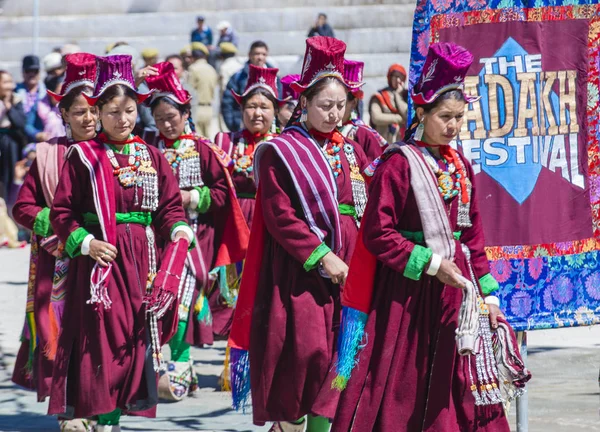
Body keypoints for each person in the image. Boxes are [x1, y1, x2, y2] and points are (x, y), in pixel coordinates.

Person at [331, 43, 528, 432]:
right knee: (405, 382)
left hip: (455, 291)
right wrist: (433, 265)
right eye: (444, 117)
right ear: (421, 113)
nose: (453, 126)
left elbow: (471, 234)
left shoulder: (460, 165)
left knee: (459, 383)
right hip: (407, 294)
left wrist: (488, 294)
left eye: (459, 117)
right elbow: (377, 233)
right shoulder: (399, 165)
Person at [227, 36, 369, 432]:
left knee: (342, 359)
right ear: (303, 103)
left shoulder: (351, 151)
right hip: (299, 273)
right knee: (308, 355)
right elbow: (280, 215)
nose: (334, 114)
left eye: (341, 105)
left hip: (350, 268)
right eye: (325, 105)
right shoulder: (282, 152)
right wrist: (322, 255)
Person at [47, 54, 194, 431]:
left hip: (144, 262)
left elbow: (169, 208)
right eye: (113, 112)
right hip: (102, 264)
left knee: (134, 341)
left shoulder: (152, 156)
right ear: (98, 112)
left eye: (129, 110)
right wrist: (85, 243)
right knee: (102, 344)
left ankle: (111, 417)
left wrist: (178, 230)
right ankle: (95, 412)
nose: (123, 119)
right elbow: (63, 213)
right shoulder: (84, 156)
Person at [145, 62, 249, 400]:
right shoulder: (149, 149)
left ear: (186, 112)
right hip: (157, 240)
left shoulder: (203, 149)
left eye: (171, 117)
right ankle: (179, 368)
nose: (166, 124)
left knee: (183, 297)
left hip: (193, 239)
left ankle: (180, 362)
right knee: (160, 298)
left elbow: (221, 194)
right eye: (160, 119)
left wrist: (191, 196)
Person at [11, 53, 98, 432]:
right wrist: (58, 227)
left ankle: (98, 403)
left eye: (95, 110)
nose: (88, 118)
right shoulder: (48, 156)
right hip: (59, 260)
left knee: (99, 334)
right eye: (78, 111)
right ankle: (69, 408)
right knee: (59, 335)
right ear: (63, 114)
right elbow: (23, 207)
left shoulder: (115, 153)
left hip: (101, 259)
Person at [215, 64, 283, 228]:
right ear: (242, 109)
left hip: (270, 222)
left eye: (264, 107)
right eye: (252, 106)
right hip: (233, 224)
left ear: (275, 111)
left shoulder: (283, 145)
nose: (257, 113)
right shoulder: (225, 142)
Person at [221, 41, 281, 132]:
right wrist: (234, 125)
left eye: (263, 54)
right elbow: (227, 102)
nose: (260, 57)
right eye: (256, 54)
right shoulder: (238, 77)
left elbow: (280, 102)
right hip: (243, 128)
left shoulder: (276, 78)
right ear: (249, 55)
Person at [339, 60, 388, 162]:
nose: (333, 110)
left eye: (339, 104)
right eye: (327, 104)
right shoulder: (318, 131)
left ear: (353, 103)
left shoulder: (363, 135)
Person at [0, 70, 26, 202]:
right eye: (5, 82)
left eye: (10, 82)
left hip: (11, 143)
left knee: (9, 177)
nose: (10, 86)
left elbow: (20, 123)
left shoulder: (16, 100)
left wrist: (8, 106)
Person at [368, 63, 409, 144]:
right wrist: (400, 119)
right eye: (395, 76)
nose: (398, 80)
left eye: (400, 77)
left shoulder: (407, 96)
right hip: (383, 142)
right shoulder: (379, 96)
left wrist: (398, 96)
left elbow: (407, 114)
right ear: (389, 77)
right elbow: (376, 118)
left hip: (402, 142)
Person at [16, 55, 50, 143]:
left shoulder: (47, 93)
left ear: (39, 72)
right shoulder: (15, 92)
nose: (32, 74)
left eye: (35, 71)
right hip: (19, 139)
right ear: (22, 72)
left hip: (43, 138)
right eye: (28, 71)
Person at [187, 43, 218, 138]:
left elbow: (189, 90)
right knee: (209, 140)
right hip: (209, 108)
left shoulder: (193, 69)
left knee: (198, 141)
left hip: (197, 108)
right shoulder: (211, 69)